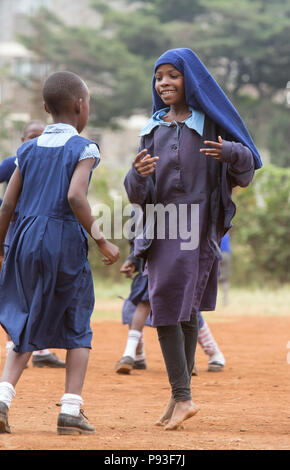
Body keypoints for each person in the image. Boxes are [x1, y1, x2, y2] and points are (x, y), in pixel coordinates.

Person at [124, 48, 261, 431]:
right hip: (161, 226)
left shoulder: (211, 126)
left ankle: (182, 396)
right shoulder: (151, 130)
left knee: (168, 304)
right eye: (159, 77)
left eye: (173, 75)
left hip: (196, 227)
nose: (164, 83)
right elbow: (136, 192)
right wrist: (137, 173)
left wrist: (230, 152)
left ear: (190, 81)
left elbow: (247, 169)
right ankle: (179, 395)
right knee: (178, 309)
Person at [0, 71, 120, 435]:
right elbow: (74, 197)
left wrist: (1, 247)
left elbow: (7, 204)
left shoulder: (26, 149)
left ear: (45, 108)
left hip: (23, 238)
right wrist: (101, 239)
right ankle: (70, 409)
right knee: (77, 321)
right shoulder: (84, 147)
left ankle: (2, 402)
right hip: (61, 239)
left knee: (25, 315)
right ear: (81, 107)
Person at [0, 121, 66, 368]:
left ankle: (39, 351)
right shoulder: (13, 162)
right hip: (13, 234)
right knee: (13, 288)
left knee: (39, 287)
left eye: (41, 136)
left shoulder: (51, 165)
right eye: (31, 136)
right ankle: (13, 343)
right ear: (21, 140)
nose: (36, 140)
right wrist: (7, 208)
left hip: (40, 234)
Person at [218, 231, 232, 306]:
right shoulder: (226, 232)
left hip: (217, 254)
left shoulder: (216, 230)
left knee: (213, 278)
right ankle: (225, 301)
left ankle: (210, 301)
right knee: (225, 279)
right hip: (227, 254)